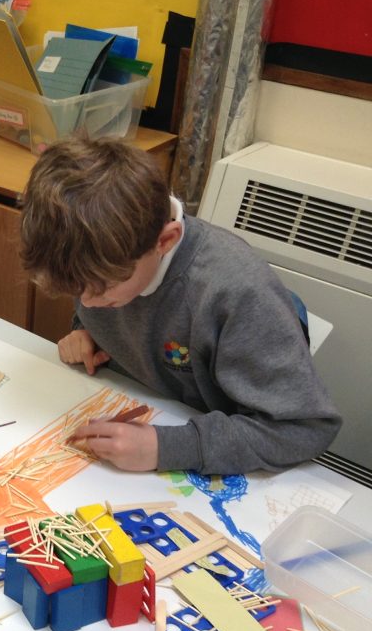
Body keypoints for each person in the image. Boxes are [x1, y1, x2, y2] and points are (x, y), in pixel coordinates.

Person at [18, 137, 341, 476]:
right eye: (76, 290)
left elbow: (304, 429)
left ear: (165, 240)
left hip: (211, 457)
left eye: (102, 289)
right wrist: (85, 332)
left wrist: (167, 448)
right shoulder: (100, 252)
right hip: (137, 408)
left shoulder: (236, 291)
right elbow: (101, 303)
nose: (87, 302)